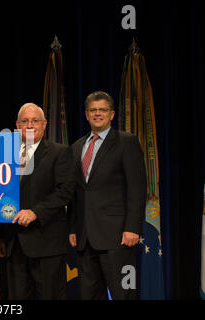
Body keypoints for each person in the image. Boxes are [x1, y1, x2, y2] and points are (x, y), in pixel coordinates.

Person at [0, 103, 75, 299]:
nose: (30, 125)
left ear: (44, 124)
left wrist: (36, 212)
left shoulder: (59, 152)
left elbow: (65, 191)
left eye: (35, 121)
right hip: (13, 243)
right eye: (25, 121)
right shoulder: (3, 155)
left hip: (46, 242)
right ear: (17, 125)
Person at [68, 91, 146, 300]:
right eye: (93, 110)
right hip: (85, 239)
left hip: (118, 238)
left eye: (102, 110)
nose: (97, 114)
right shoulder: (76, 147)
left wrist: (132, 228)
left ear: (112, 114)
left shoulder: (126, 142)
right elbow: (75, 192)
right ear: (86, 114)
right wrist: (73, 228)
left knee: (124, 293)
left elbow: (137, 189)